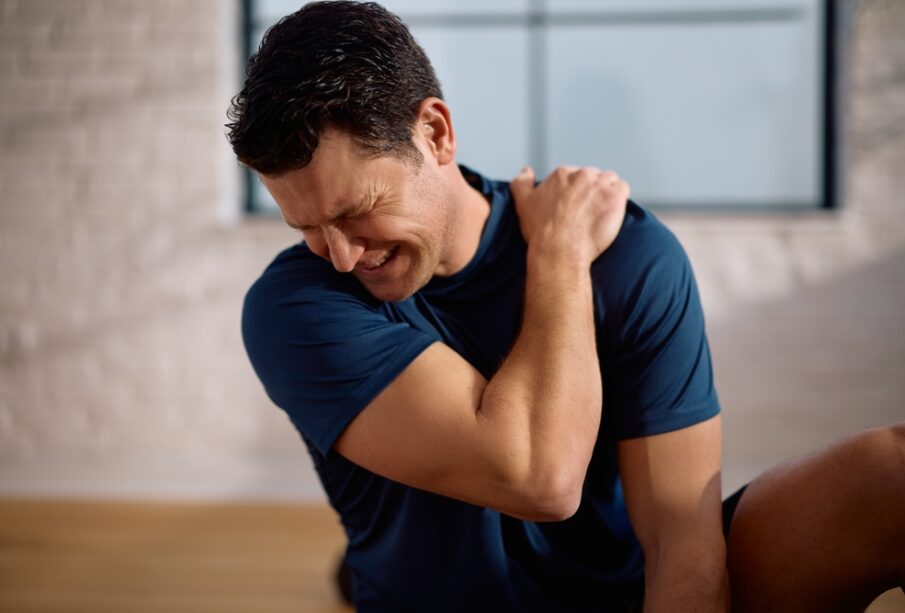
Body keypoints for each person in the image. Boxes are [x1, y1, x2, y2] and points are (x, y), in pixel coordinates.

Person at [227, 2, 905, 611]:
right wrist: (557, 255)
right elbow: (540, 480)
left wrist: (564, 252)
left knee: (891, 474)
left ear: (435, 133)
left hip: (630, 595)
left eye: (357, 210)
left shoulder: (630, 256)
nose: (342, 256)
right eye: (307, 228)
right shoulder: (294, 307)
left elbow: (681, 544)